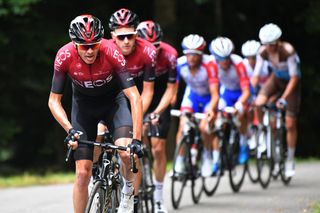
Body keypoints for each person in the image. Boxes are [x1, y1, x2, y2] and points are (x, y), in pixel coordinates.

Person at [48, 15, 143, 213]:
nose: (90, 50)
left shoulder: (112, 51)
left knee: (126, 154)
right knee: (82, 173)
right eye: (84, 46)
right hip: (84, 107)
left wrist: (138, 139)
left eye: (94, 45)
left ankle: (127, 194)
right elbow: (53, 100)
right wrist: (69, 129)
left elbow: (134, 96)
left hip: (113, 103)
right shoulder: (64, 56)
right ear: (74, 44)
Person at [94, 8, 157, 212]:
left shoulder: (148, 52)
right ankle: (97, 177)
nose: (126, 41)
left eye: (130, 35)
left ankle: (133, 198)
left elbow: (147, 92)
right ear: (112, 36)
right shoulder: (101, 49)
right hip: (111, 97)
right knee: (97, 134)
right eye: (121, 37)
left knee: (129, 152)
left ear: (136, 34)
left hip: (135, 97)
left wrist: (134, 115)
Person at [137, 20, 178, 213]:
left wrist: (156, 112)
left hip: (160, 99)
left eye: (156, 46)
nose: (152, 51)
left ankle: (159, 197)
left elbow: (171, 90)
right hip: (138, 96)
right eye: (148, 46)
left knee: (159, 148)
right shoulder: (131, 54)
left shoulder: (170, 55)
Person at [252, 23, 301, 177]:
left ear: (278, 41)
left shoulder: (288, 51)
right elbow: (256, 75)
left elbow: (294, 78)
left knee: (290, 124)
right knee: (258, 103)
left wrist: (283, 98)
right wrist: (251, 91)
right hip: (276, 79)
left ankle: (290, 159)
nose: (270, 48)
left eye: (272, 45)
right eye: (266, 45)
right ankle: (261, 133)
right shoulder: (262, 52)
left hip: (291, 84)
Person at [174, 34, 219, 177]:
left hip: (208, 97)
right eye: (188, 54)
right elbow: (174, 87)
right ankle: (179, 161)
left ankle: (207, 157)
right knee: (182, 125)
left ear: (201, 54)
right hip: (192, 96)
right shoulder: (179, 64)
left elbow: (215, 93)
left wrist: (211, 109)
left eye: (195, 54)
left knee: (204, 128)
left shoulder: (210, 64)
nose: (191, 57)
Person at [209, 36, 251, 165]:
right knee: (218, 116)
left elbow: (246, 91)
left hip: (241, 92)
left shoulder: (238, 63)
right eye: (221, 59)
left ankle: (244, 144)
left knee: (241, 113)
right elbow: (214, 90)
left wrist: (239, 104)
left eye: (227, 58)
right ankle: (219, 149)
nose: (225, 62)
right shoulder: (211, 64)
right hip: (226, 93)